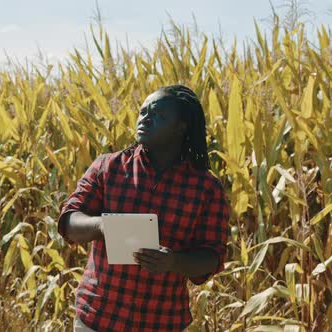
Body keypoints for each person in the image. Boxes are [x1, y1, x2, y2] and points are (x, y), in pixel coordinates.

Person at [57, 85, 230, 331]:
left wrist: (174, 262)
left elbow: (212, 257)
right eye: (143, 111)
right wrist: (102, 224)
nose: (145, 118)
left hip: (161, 321)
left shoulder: (206, 188)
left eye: (158, 114)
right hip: (97, 318)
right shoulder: (108, 167)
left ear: (181, 127)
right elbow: (68, 222)